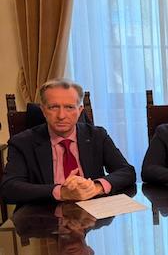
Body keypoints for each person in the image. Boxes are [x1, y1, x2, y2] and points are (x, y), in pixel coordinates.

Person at [0, 78, 136, 204]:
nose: (61, 116)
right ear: (43, 110)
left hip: (93, 212)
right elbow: (9, 188)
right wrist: (61, 192)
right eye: (53, 107)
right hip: (45, 213)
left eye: (69, 107)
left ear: (80, 110)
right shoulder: (22, 142)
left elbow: (127, 172)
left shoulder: (97, 135)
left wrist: (96, 187)